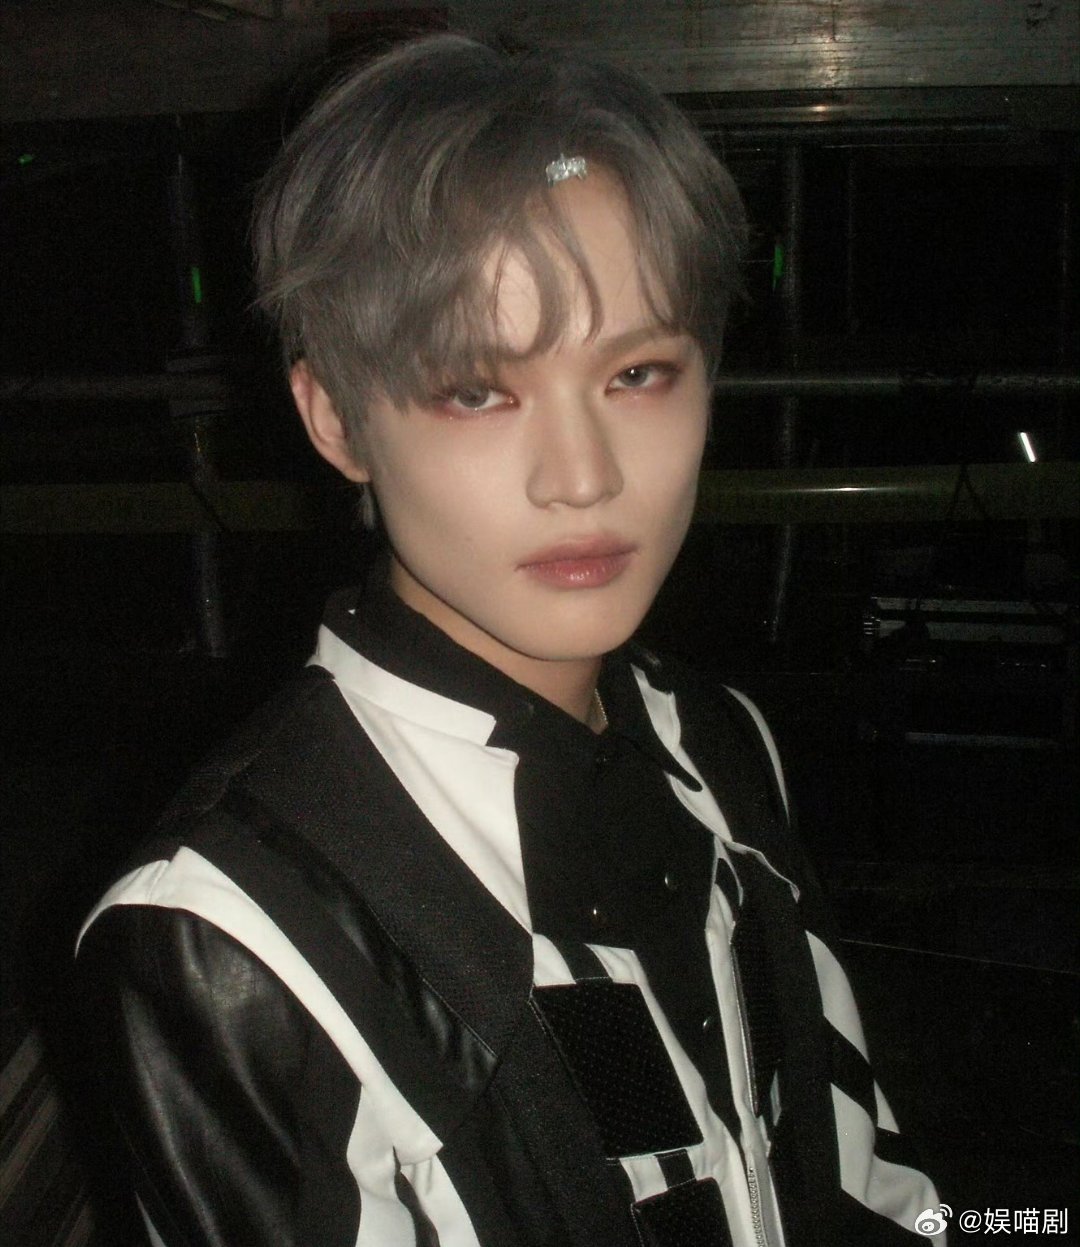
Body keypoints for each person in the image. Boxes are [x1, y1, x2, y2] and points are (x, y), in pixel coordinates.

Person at [76, 33, 943, 1247]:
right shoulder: (225, 935)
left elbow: (863, 1178)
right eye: (477, 390)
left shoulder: (716, 739)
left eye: (638, 373)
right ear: (335, 418)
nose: (582, 477)